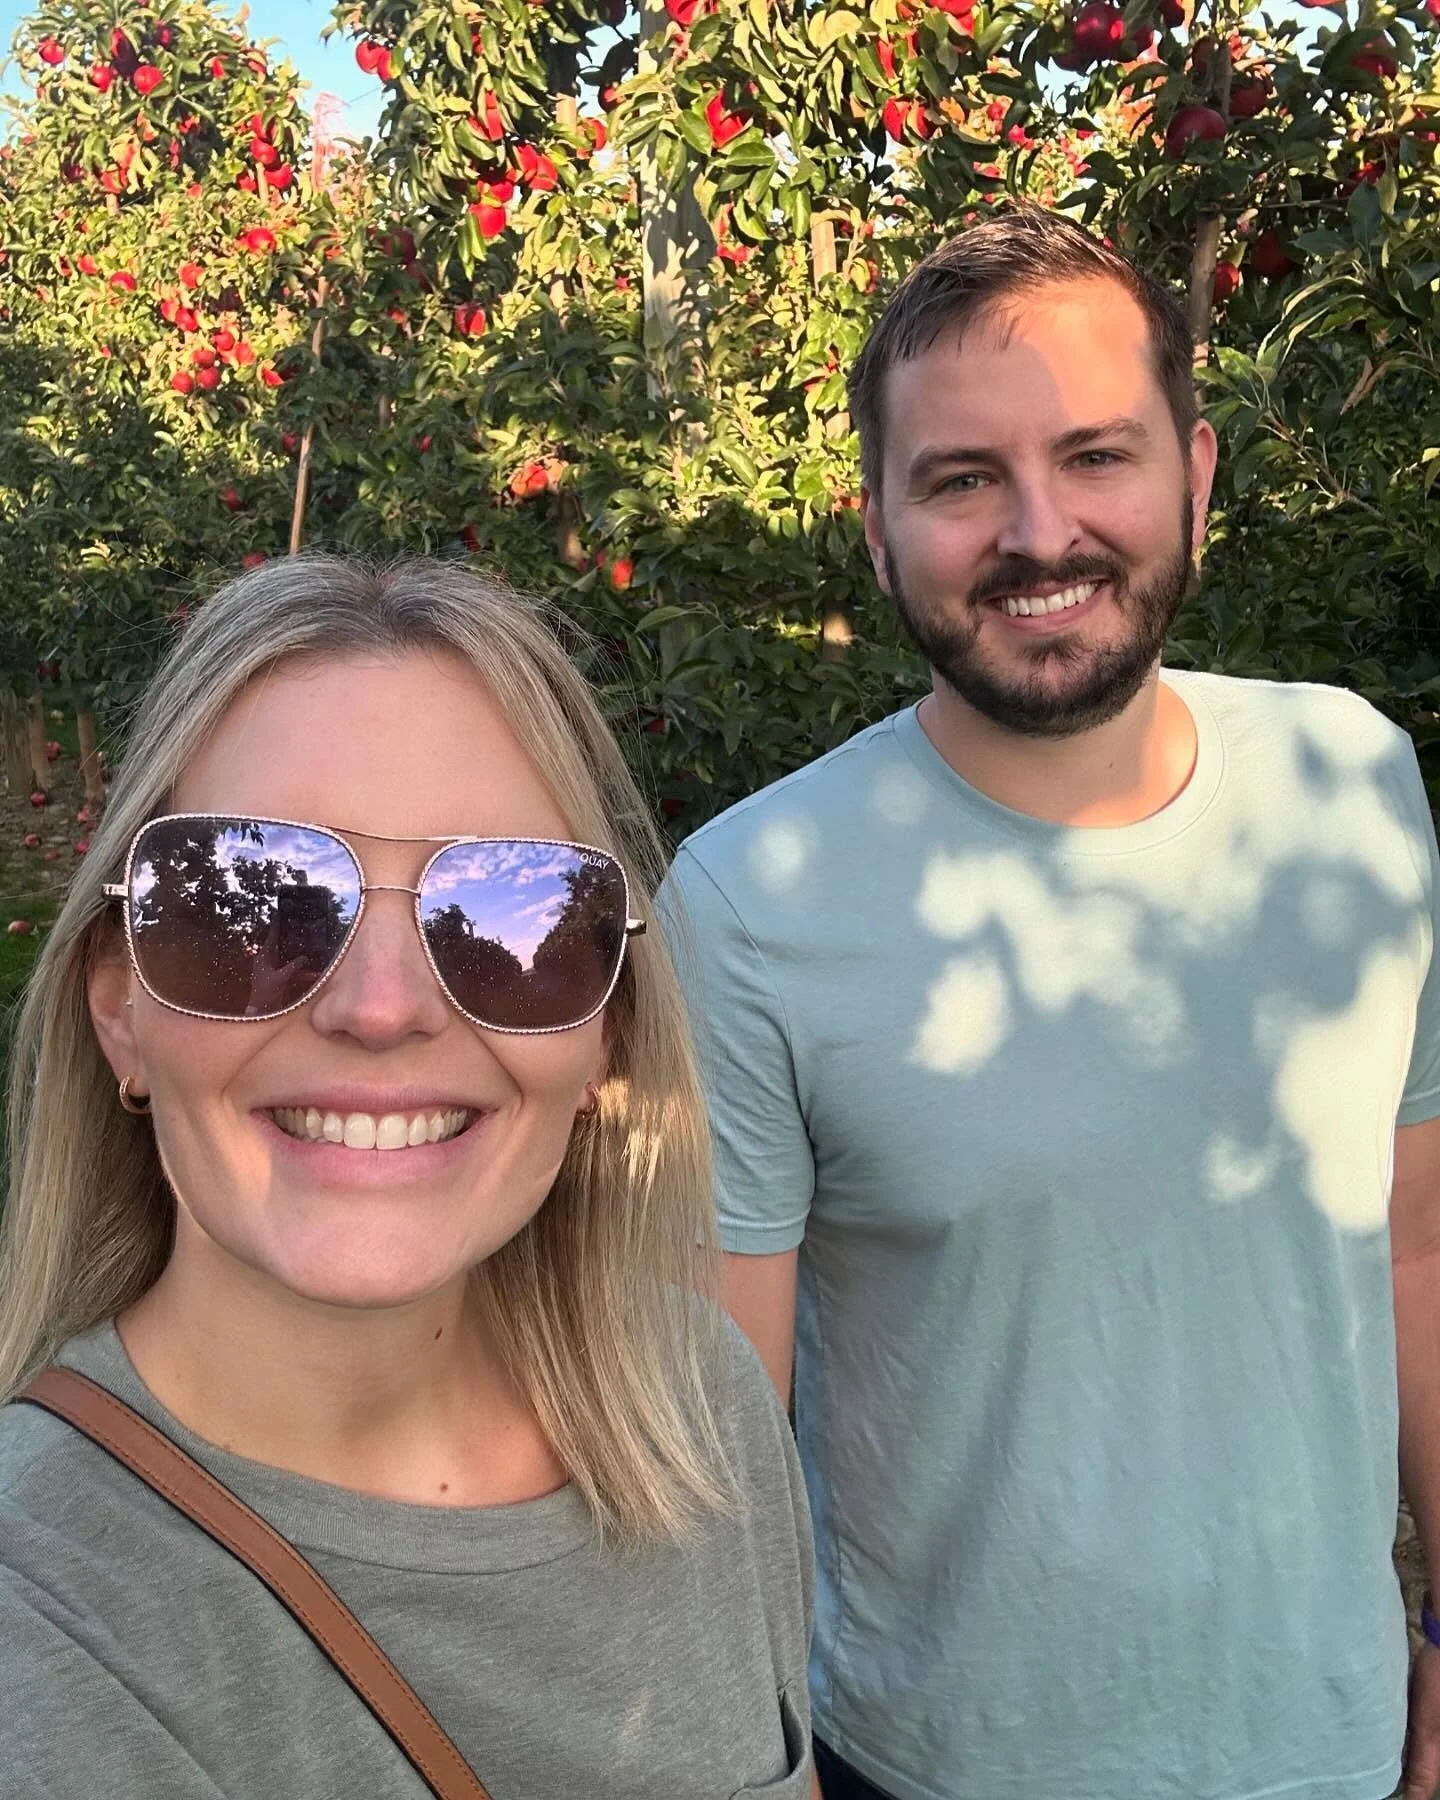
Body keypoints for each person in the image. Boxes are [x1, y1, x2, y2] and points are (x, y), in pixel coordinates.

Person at [660, 206, 1440, 1800]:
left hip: (1336, 1742)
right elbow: (720, 1444)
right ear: (878, 529)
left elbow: (1419, 1249)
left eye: (1096, 456)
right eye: (961, 479)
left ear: (1197, 475)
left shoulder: (1354, 783)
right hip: (935, 1763)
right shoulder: (752, 900)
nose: (1040, 532)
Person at [0, 555, 819, 1800]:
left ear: (603, 1032)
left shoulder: (698, 1404)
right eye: (257, 904)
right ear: (122, 1013)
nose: (381, 1010)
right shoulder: (44, 1617)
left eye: (514, 912)